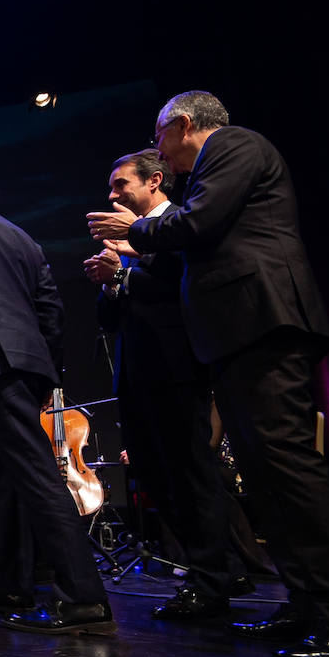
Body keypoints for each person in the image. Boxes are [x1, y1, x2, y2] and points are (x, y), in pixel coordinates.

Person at [87, 91, 329, 657]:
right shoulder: (215, 164)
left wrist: (135, 237)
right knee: (267, 475)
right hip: (232, 336)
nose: (159, 150)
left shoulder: (234, 145)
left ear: (181, 125)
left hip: (261, 322)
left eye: (159, 137)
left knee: (287, 466)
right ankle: (306, 603)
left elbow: (199, 223)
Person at [0, 164, 112, 634]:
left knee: (34, 476)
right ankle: (10, 583)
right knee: (0, 476)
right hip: (28, 365)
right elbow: (51, 307)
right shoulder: (23, 238)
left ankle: (84, 598)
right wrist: (45, 370)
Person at [83, 149, 250, 621]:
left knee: (190, 473)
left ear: (154, 181)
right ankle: (217, 565)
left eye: (121, 185)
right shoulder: (128, 242)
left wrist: (128, 267)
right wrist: (112, 284)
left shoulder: (179, 226)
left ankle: (212, 578)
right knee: (156, 475)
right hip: (136, 373)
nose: (113, 194)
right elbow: (111, 318)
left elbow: (184, 285)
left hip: (177, 369)